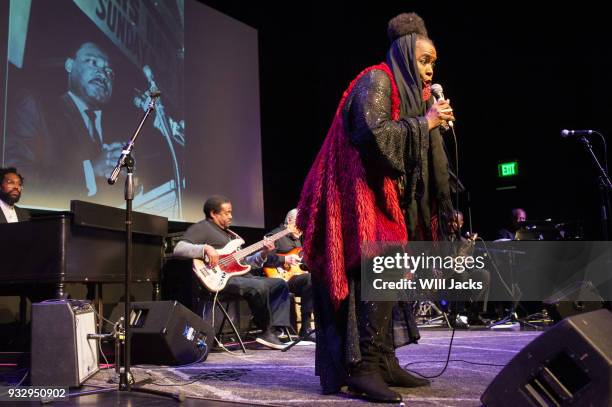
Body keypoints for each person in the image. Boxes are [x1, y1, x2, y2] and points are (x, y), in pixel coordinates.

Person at [296, 13, 454, 402]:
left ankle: (383, 361)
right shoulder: (376, 79)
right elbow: (373, 135)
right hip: (347, 194)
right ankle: (363, 368)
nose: (430, 69)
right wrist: (426, 123)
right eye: (423, 59)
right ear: (403, 54)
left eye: (433, 61)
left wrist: (427, 123)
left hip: (374, 194)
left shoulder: (409, 96)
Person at [6, 42, 124, 203]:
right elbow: (15, 177)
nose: (103, 74)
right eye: (92, 62)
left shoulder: (117, 131)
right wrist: (91, 172)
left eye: (109, 72)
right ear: (70, 65)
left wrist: (129, 178)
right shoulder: (36, 106)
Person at [173, 195, 292, 350]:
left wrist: (263, 253)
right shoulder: (202, 228)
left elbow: (244, 263)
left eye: (231, 212)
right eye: (226, 212)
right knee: (258, 287)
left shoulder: (231, 235)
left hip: (240, 277)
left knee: (280, 284)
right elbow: (178, 249)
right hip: (221, 280)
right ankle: (267, 331)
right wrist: (205, 249)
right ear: (213, 214)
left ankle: (276, 329)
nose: (230, 216)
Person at [264, 209, 313, 338]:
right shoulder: (275, 235)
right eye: (300, 225)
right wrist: (284, 260)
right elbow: (264, 260)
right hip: (279, 278)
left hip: (294, 276)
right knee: (310, 279)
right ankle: (304, 328)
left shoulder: (297, 240)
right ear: (290, 221)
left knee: (315, 279)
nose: (302, 230)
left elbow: (298, 263)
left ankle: (308, 328)